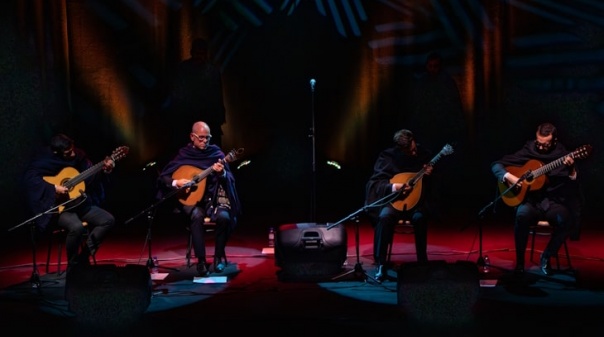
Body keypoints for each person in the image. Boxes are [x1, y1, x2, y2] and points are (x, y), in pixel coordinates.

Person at [491, 122, 583, 275]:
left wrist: (572, 168)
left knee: (567, 221)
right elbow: (496, 165)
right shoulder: (529, 149)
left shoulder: (562, 155)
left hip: (552, 202)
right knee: (521, 215)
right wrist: (510, 178)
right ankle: (520, 262)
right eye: (538, 143)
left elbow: (573, 186)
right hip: (531, 202)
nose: (540, 148)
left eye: (544, 145)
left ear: (554, 141)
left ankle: (546, 255)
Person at [21, 133, 117, 272]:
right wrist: (54, 188)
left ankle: (82, 260)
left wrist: (104, 170)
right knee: (77, 227)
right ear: (56, 152)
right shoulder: (45, 158)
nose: (72, 154)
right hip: (59, 208)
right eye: (67, 153)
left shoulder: (78, 155)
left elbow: (89, 178)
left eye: (72, 149)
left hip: (79, 204)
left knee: (108, 220)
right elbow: (30, 180)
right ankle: (73, 266)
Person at [156, 121, 241, 276]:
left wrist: (221, 173)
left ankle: (218, 259)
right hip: (192, 201)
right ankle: (201, 261)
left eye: (207, 138)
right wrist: (177, 182)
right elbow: (164, 177)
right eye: (201, 138)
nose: (204, 141)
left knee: (224, 217)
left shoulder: (216, 154)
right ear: (192, 137)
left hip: (213, 199)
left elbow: (230, 178)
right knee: (196, 216)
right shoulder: (184, 154)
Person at [365, 129, 434, 282]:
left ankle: (422, 261)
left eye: (414, 148)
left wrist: (430, 174)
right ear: (400, 148)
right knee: (384, 217)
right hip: (394, 202)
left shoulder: (424, 154)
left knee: (421, 217)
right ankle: (381, 263)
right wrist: (395, 187)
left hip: (417, 203)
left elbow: (433, 184)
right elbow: (375, 183)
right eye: (409, 151)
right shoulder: (388, 157)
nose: (414, 153)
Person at [166, 37, 226, 151]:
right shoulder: (184, 69)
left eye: (202, 53)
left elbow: (217, 95)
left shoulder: (212, 71)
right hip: (188, 118)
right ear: (192, 52)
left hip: (209, 117)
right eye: (197, 53)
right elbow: (177, 94)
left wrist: (220, 115)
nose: (199, 57)